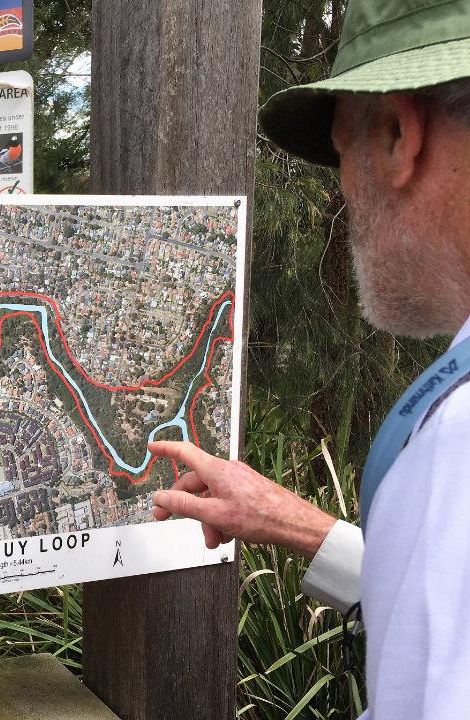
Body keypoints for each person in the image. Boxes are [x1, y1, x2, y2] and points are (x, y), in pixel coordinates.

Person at [147, 1, 470, 718]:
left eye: (339, 152)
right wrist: (295, 524)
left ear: (397, 135)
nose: (343, 193)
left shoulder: (460, 443)